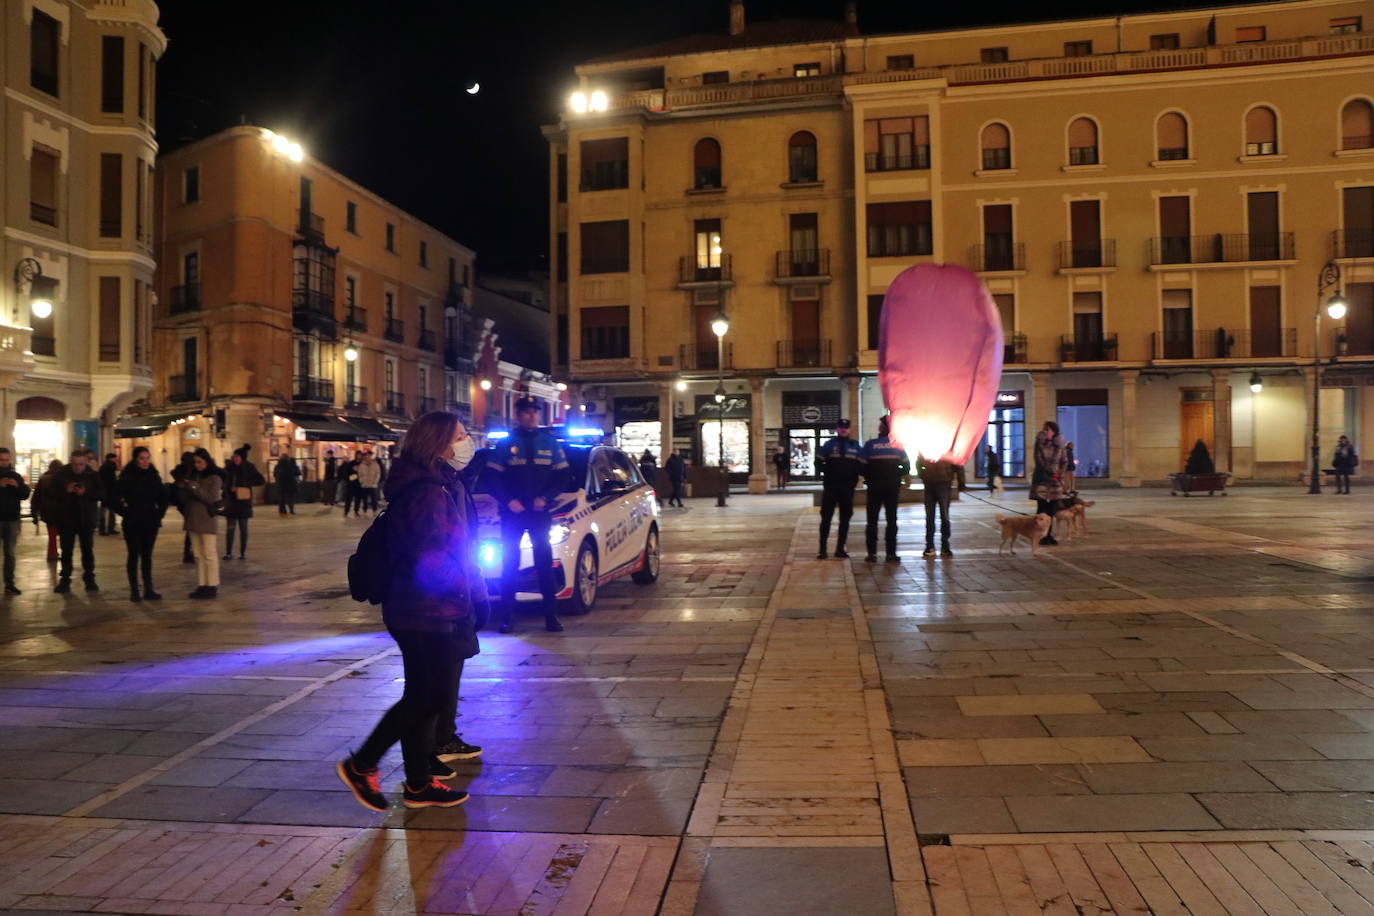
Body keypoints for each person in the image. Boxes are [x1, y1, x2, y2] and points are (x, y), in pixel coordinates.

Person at [337, 411, 483, 812]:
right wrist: (462, 592)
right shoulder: (427, 493)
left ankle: (419, 782)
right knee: (428, 696)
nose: (467, 441)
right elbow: (432, 556)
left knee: (423, 695)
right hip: (426, 611)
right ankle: (362, 763)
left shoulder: (429, 485)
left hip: (419, 608)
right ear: (439, 442)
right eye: (460, 435)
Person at [487, 396, 569, 634]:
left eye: (534, 412)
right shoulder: (506, 444)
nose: (531, 415)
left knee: (544, 565)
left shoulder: (550, 443)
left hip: (539, 513)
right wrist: (508, 500)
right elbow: (493, 478)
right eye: (526, 412)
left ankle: (551, 617)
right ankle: (508, 617)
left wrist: (547, 497)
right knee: (509, 565)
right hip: (512, 514)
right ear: (518, 415)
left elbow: (563, 477)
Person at [116, 446, 168, 602]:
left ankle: (148, 589)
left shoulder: (154, 475)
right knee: (133, 555)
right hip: (132, 521)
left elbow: (163, 496)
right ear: (135, 459)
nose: (145, 461)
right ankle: (134, 590)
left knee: (147, 556)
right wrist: (125, 512)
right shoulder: (127, 476)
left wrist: (159, 514)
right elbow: (114, 497)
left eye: (147, 458)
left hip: (150, 521)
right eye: (142, 458)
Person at [51, 449, 104, 593]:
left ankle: (89, 579)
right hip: (67, 519)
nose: (77, 468)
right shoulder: (61, 475)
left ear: (86, 462)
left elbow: (102, 494)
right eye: (75, 464)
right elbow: (51, 494)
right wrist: (65, 490)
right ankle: (65, 579)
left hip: (86, 520)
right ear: (70, 461)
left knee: (87, 550)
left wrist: (85, 493)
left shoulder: (93, 475)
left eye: (81, 464)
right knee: (66, 550)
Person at [860, 416, 910, 564]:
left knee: (872, 520)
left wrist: (871, 476)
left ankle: (872, 554)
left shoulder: (870, 445)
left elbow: (861, 467)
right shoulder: (898, 446)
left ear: (880, 429)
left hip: (874, 487)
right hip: (892, 487)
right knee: (892, 520)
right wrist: (895, 475)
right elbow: (907, 467)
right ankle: (891, 554)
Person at [179, 448, 223, 599]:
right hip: (193, 519)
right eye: (195, 462)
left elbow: (211, 498)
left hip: (207, 520)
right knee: (198, 554)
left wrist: (193, 486)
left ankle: (212, 585)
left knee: (209, 553)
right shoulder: (194, 477)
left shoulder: (214, 478)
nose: (197, 465)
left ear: (206, 461)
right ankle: (202, 584)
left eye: (200, 462)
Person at [816, 419, 862, 559]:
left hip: (847, 488)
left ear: (849, 429)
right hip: (831, 487)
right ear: (837, 429)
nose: (843, 430)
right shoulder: (829, 445)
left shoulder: (855, 446)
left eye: (846, 428)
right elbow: (818, 462)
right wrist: (829, 474)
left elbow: (861, 465)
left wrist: (854, 478)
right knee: (826, 518)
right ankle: (822, 550)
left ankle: (840, 549)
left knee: (845, 519)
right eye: (841, 427)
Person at [223, 447, 265, 560]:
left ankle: (242, 552)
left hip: (243, 502)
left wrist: (245, 484)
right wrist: (227, 489)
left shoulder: (249, 467)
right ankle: (228, 552)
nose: (235, 459)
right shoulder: (229, 467)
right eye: (234, 456)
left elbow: (261, 480)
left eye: (237, 456)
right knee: (230, 528)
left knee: (243, 529)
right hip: (231, 502)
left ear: (242, 457)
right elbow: (224, 480)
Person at [0, 448, 32, 595]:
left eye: (7, 460)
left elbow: (25, 494)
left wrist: (17, 486)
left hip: (12, 520)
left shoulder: (15, 476)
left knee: (10, 553)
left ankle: (9, 583)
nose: (5, 463)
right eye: (1, 460)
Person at [1031, 421, 1068, 546]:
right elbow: (1038, 460)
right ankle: (1040, 535)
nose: (1046, 432)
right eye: (1044, 429)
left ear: (1054, 431)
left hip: (1055, 481)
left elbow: (1064, 461)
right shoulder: (1039, 443)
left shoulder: (1060, 445)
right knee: (1041, 509)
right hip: (1042, 479)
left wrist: (1060, 473)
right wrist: (1051, 471)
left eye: (1048, 430)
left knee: (1052, 510)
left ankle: (1049, 535)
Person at [917, 454, 956, 559]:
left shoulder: (946, 447)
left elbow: (956, 462)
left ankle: (937, 546)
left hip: (938, 482)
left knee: (938, 516)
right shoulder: (945, 446)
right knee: (937, 516)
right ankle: (938, 546)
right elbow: (919, 463)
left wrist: (923, 474)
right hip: (939, 483)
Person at [33, 458, 64, 563]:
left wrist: (34, 514)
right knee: (64, 535)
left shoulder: (43, 479)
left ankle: (52, 554)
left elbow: (36, 498)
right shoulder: (63, 479)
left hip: (47, 511)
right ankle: (62, 554)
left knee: (52, 535)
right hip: (61, 511)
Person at [170, 451, 196, 564]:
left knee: (190, 526)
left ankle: (188, 552)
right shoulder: (190, 470)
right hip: (187, 501)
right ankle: (188, 552)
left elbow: (173, 473)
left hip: (182, 502)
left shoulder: (179, 470)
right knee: (191, 527)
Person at [97, 453, 120, 535]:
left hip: (104, 492)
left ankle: (103, 529)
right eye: (115, 458)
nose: (116, 460)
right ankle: (109, 528)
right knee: (110, 511)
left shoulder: (104, 466)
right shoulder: (110, 467)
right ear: (111, 459)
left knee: (104, 511)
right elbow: (112, 481)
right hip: (110, 492)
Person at [356, 451, 382, 515]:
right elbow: (359, 474)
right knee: (364, 499)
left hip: (373, 485)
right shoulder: (362, 465)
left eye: (369, 455)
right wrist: (361, 481)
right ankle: (365, 511)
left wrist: (375, 481)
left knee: (374, 499)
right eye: (366, 455)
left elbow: (378, 473)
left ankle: (374, 510)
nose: (368, 457)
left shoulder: (375, 464)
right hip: (364, 485)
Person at [339, 450, 362, 517]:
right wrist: (355, 475)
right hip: (351, 485)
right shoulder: (351, 463)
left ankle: (356, 511)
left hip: (359, 485)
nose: (359, 456)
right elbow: (346, 475)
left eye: (360, 455)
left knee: (358, 499)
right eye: (358, 455)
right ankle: (346, 511)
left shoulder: (362, 464)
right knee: (349, 499)